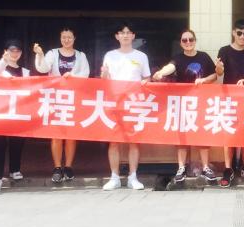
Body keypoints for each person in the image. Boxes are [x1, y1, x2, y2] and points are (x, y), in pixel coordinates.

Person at [152, 29, 219, 185]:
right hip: (183, 103)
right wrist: (161, 73)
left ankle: (205, 167)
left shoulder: (204, 56)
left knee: (202, 134)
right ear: (181, 43)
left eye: (190, 39)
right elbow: (170, 67)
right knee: (182, 136)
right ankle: (181, 168)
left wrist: (204, 80)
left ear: (195, 40)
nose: (188, 42)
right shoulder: (178, 58)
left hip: (201, 102)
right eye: (184, 40)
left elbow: (215, 75)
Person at [33, 26, 91, 184]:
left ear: (74, 38)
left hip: (73, 99)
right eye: (64, 37)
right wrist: (40, 54)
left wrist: (73, 76)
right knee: (56, 134)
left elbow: (85, 74)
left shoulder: (81, 55)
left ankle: (69, 166)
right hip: (55, 98)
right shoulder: (52, 53)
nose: (66, 40)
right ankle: (57, 167)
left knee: (71, 134)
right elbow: (43, 68)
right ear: (60, 38)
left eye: (69, 37)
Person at [100, 22, 151, 191]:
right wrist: (104, 75)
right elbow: (105, 79)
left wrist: (145, 82)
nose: (125, 35)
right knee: (114, 141)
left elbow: (147, 78)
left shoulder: (141, 56)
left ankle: (132, 177)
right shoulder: (110, 55)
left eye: (129, 32)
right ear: (117, 36)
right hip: (114, 102)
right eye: (122, 32)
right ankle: (114, 177)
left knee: (133, 141)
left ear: (133, 36)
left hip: (133, 103)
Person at [216, 19, 244, 187]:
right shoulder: (224, 50)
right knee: (229, 132)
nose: (242, 36)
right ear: (233, 33)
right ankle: (228, 168)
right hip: (229, 97)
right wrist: (218, 67)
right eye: (239, 33)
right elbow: (219, 73)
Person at [0, 39, 30, 193]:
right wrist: (4, 60)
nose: (15, 53)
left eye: (18, 51)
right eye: (12, 50)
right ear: (5, 51)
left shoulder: (25, 71)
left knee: (17, 142)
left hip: (18, 111)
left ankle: (15, 169)